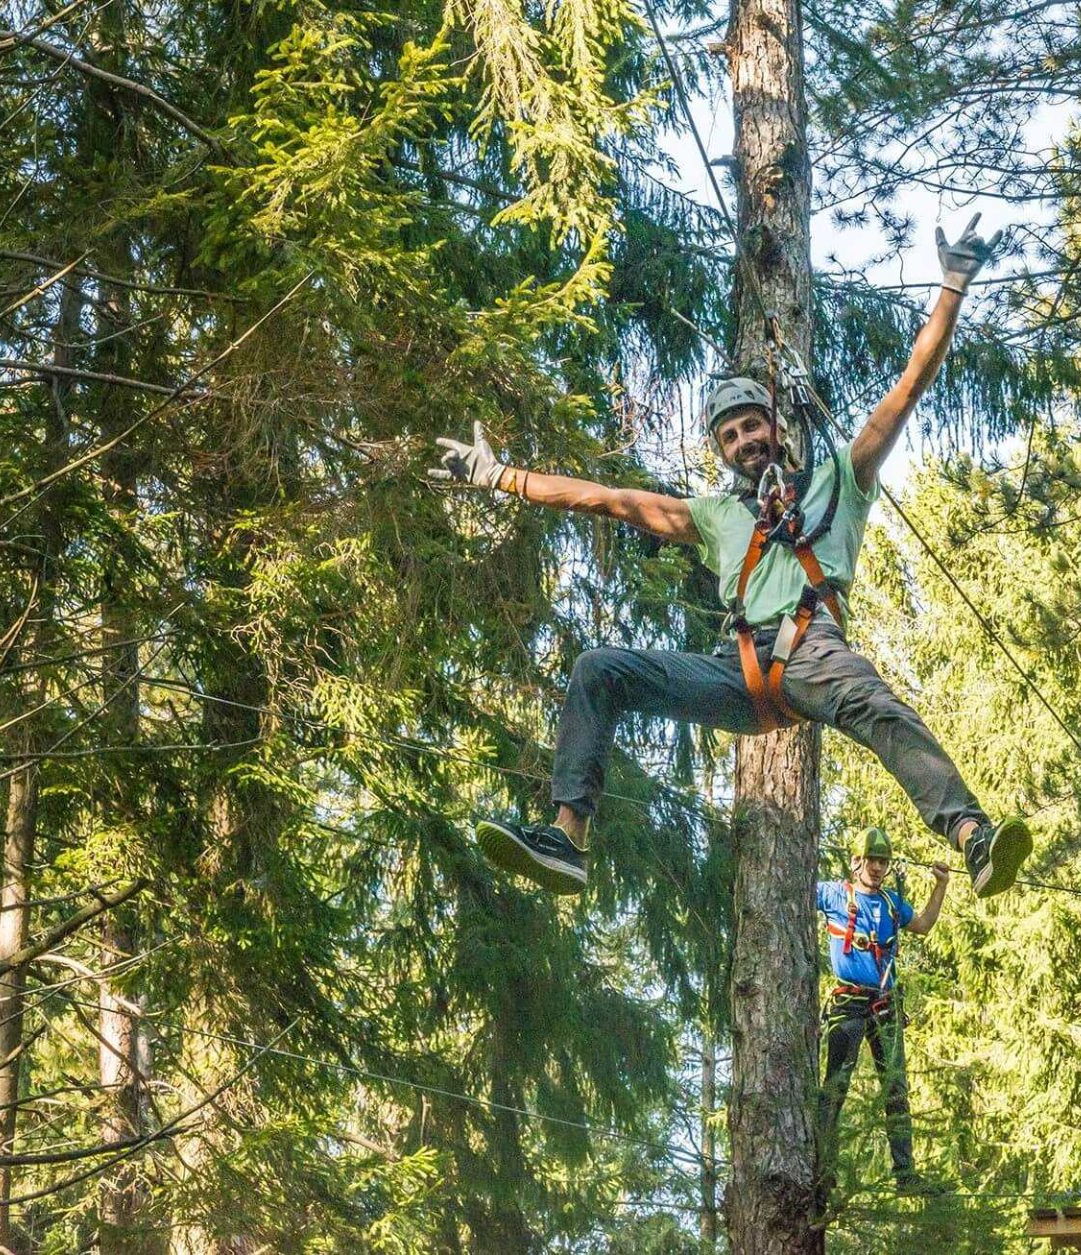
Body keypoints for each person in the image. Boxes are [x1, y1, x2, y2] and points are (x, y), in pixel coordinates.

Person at [428, 216, 1031, 898]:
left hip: (812, 650)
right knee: (600, 669)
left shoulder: (839, 477)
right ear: (722, 451)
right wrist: (504, 477)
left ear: (776, 428)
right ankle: (568, 838)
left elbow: (905, 391)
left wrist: (951, 285)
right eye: (730, 435)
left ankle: (971, 836)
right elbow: (610, 500)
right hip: (735, 671)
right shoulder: (715, 515)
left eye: (752, 426)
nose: (744, 440)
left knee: (878, 708)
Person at [815, 826, 945, 1198]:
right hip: (849, 1003)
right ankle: (823, 1170)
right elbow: (795, 888)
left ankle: (906, 1175)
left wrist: (940, 886)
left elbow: (922, 925)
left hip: (885, 1006)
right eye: (872, 859)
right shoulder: (835, 894)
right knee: (835, 1087)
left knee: (896, 1090)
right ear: (857, 861)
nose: (877, 866)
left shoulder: (890, 904)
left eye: (883, 861)